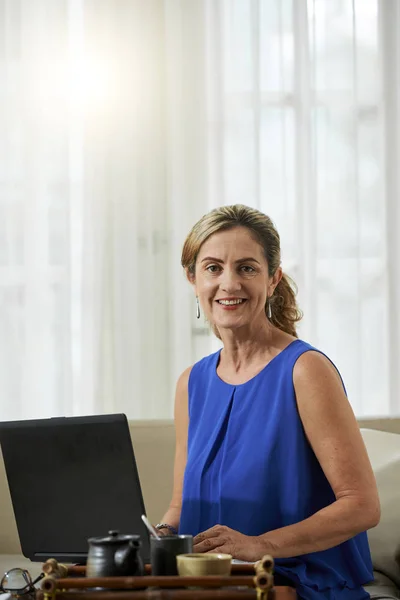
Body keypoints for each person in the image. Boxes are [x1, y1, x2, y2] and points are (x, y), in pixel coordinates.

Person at [156, 204, 380, 600]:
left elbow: (361, 505)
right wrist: (157, 536)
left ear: (273, 278)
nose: (229, 284)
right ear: (192, 279)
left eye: (246, 268)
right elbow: (179, 506)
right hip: (208, 581)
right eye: (212, 268)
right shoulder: (190, 383)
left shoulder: (305, 370)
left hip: (294, 577)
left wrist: (261, 546)